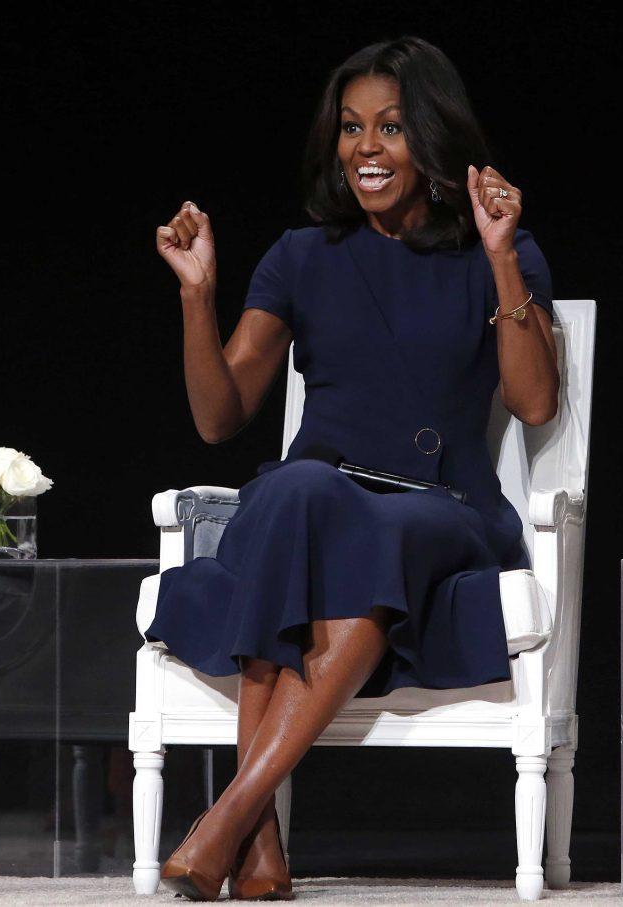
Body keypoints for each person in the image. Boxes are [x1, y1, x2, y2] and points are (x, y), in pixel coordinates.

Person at [146, 35, 559, 902]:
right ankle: (255, 848)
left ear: (434, 139)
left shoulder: (496, 253)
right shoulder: (301, 256)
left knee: (369, 528)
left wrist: (498, 255)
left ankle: (228, 819)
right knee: (294, 487)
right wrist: (196, 295)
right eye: (351, 128)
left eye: (392, 127)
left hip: (438, 503)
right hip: (317, 492)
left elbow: (534, 403)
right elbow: (220, 417)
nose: (365, 148)